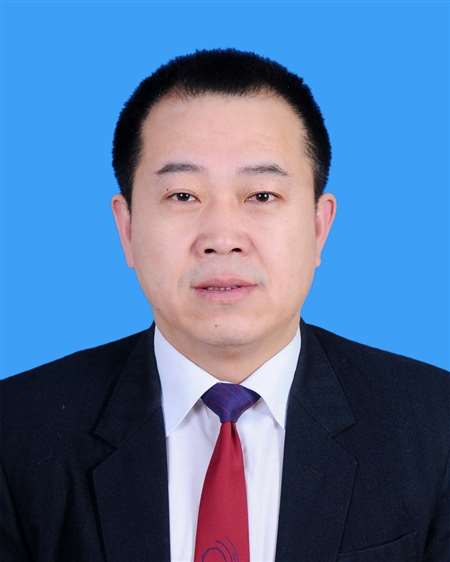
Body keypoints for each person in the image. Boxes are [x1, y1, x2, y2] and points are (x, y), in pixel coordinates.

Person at [0, 48, 448, 562]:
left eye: (261, 196)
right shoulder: (17, 433)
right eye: (183, 196)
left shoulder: (434, 428)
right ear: (127, 228)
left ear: (319, 226)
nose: (222, 238)